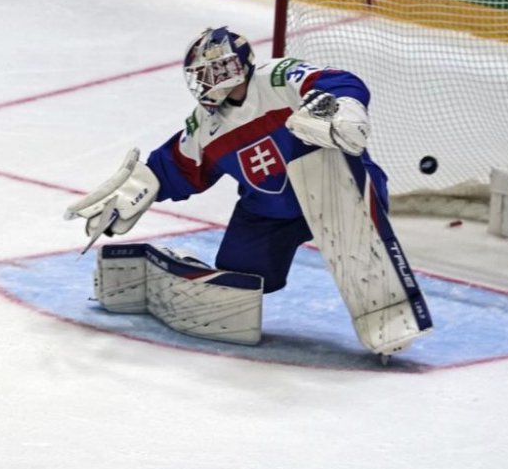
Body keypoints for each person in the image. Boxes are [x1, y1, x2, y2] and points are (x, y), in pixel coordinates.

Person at [68, 25, 384, 295]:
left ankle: (384, 293)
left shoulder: (276, 78)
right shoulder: (206, 124)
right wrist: (136, 190)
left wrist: (346, 109)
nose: (201, 82)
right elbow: (178, 166)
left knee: (364, 258)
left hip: (335, 189)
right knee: (241, 274)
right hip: (269, 214)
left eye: (206, 73)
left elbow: (340, 82)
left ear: (229, 69)